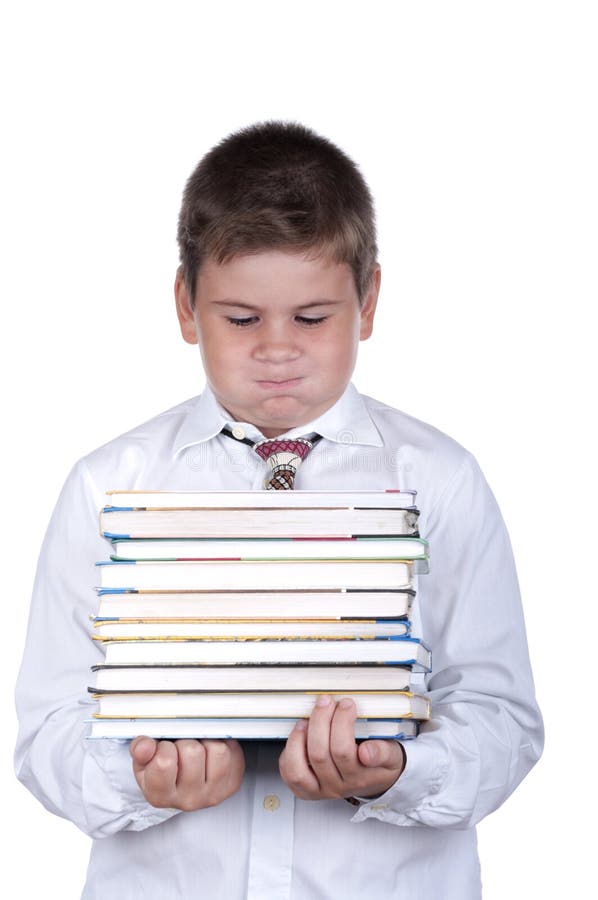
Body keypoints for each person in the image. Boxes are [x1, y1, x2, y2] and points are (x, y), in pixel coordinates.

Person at [15, 121, 543, 899]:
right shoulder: (109, 485)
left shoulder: (441, 482)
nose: (276, 349)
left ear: (367, 302)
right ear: (186, 306)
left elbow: (503, 717)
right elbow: (47, 730)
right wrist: (142, 780)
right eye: (240, 318)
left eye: (311, 317)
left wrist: (396, 771)